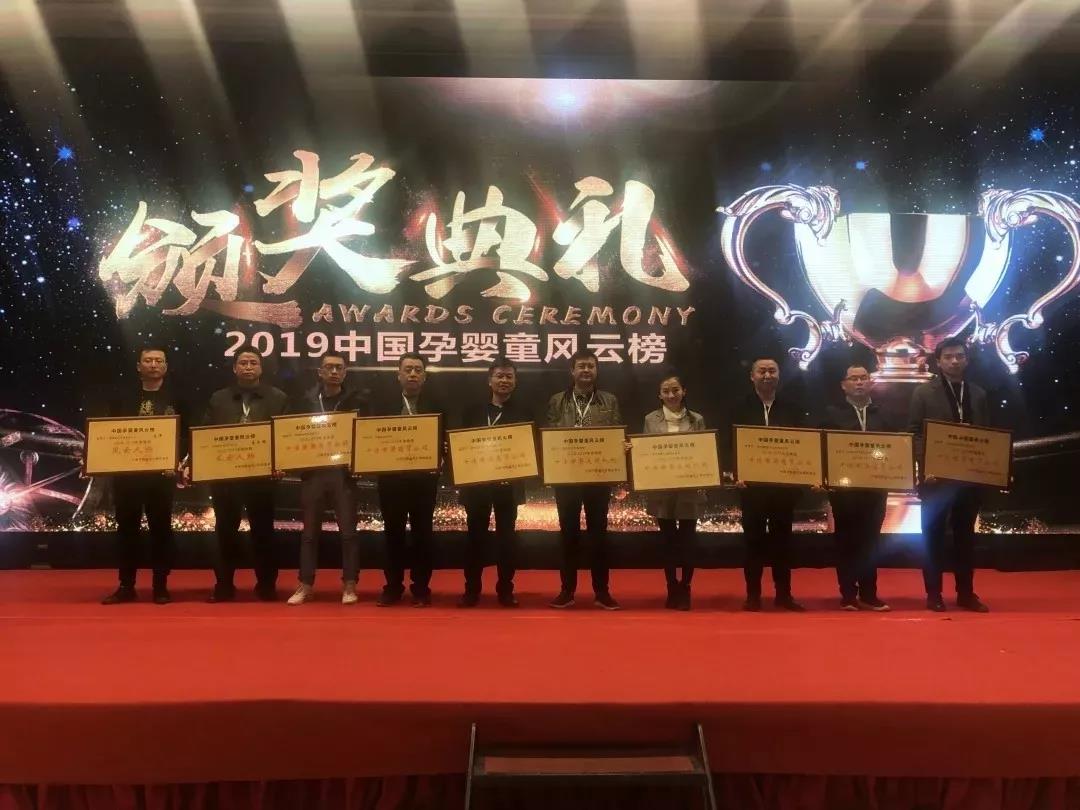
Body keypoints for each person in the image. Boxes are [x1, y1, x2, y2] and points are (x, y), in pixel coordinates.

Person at [908, 337, 991, 613]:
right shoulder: (923, 393)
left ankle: (966, 593)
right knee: (933, 536)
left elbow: (987, 437)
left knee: (965, 537)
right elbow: (914, 433)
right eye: (948, 357)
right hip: (936, 480)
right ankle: (934, 594)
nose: (955, 361)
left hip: (969, 479)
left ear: (967, 359)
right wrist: (927, 464)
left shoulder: (978, 393)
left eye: (960, 356)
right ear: (938, 361)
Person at [100, 345, 187, 605]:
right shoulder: (122, 396)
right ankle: (126, 585)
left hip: (161, 476)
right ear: (139, 366)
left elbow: (187, 434)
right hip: (128, 476)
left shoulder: (179, 397)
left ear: (166, 366)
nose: (153, 364)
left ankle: (160, 585)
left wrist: (177, 460)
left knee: (161, 530)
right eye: (148, 360)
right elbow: (108, 432)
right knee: (127, 530)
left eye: (159, 360)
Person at [200, 347, 289, 603]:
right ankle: (224, 584)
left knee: (263, 532)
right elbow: (205, 434)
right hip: (226, 478)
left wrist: (282, 463)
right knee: (225, 531)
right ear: (234, 368)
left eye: (253, 363)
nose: (248, 367)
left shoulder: (278, 398)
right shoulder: (219, 398)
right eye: (243, 363)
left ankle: (266, 585)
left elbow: (285, 436)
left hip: (262, 478)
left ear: (261, 368)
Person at [286, 352, 366, 606]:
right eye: (329, 367)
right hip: (314, 473)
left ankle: (350, 585)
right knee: (309, 534)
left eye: (339, 368)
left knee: (349, 534)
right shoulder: (306, 401)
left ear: (345, 372)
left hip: (344, 474)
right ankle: (305, 585)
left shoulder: (357, 402)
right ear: (320, 372)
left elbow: (366, 436)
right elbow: (291, 434)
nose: (334, 372)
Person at [546, 348, 623, 610]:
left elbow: (616, 433)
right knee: (568, 535)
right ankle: (567, 590)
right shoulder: (557, 400)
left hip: (598, 477)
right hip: (567, 477)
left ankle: (602, 592)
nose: (586, 370)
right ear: (572, 371)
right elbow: (550, 435)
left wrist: (620, 447)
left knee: (598, 536)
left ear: (597, 370)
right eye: (581, 366)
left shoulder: (609, 400)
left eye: (591, 366)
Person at [730, 356, 806, 612]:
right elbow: (729, 445)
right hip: (751, 489)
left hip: (784, 489)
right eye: (761, 371)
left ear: (779, 375)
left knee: (783, 544)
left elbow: (804, 446)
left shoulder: (793, 408)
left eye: (772, 371)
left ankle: (784, 595)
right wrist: (735, 473)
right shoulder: (739, 407)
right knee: (752, 543)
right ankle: (753, 595)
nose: (767, 375)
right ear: (752, 376)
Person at [456, 357, 531, 608]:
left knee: (507, 540)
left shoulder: (524, 412)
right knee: (474, 539)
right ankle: (471, 590)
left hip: (508, 488)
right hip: (477, 487)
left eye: (509, 376)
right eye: (499, 376)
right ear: (490, 380)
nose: (504, 380)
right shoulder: (472, 411)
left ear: (515, 382)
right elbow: (460, 446)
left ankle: (505, 590)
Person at [373, 352, 445, 607]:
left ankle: (421, 588)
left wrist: (443, 454)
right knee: (393, 534)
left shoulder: (437, 404)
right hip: (391, 480)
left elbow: (446, 439)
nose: (413, 374)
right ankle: (392, 587)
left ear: (424, 376)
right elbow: (370, 438)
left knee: (422, 535)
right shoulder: (382, 404)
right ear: (398, 375)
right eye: (408, 369)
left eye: (418, 370)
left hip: (423, 481)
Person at [821, 363, 895, 612]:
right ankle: (848, 594)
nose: (859, 382)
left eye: (863, 377)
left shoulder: (884, 414)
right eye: (853, 378)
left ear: (871, 382)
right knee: (846, 540)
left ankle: (869, 593)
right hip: (844, 490)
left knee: (871, 541)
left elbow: (896, 449)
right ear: (844, 385)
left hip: (876, 488)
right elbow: (822, 448)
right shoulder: (831, 414)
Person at [641, 373, 707, 611]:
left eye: (675, 390)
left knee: (688, 541)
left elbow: (704, 452)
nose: (671, 395)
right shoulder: (650, 419)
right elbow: (645, 452)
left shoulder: (697, 419)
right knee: (667, 542)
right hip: (662, 489)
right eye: (666, 391)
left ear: (683, 391)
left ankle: (685, 587)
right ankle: (671, 587)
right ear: (659, 395)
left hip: (689, 488)